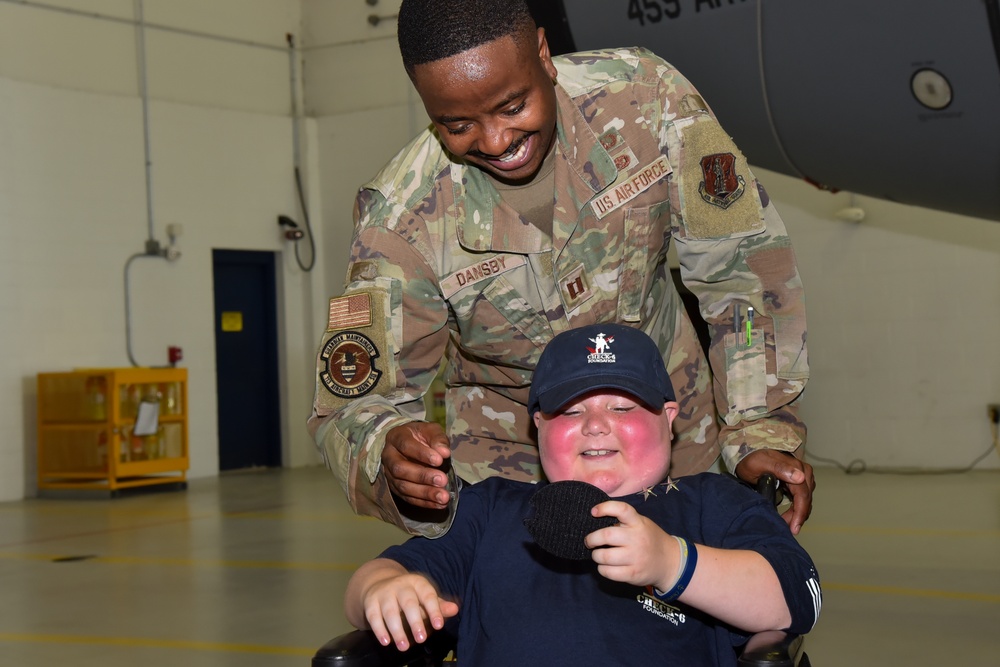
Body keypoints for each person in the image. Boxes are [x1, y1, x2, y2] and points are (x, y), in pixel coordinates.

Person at [309, 0, 814, 539]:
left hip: (670, 429)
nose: (496, 141)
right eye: (457, 125)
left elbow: (743, 275)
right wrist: (384, 447)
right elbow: (354, 398)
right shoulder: (401, 219)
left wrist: (758, 429)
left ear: (545, 55)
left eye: (512, 105)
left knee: (703, 603)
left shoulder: (647, 100)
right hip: (512, 461)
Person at [344, 324, 821, 665]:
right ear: (537, 427)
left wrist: (673, 563)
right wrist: (382, 589)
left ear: (669, 418)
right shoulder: (490, 508)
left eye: (621, 405)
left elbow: (797, 596)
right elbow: (374, 578)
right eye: (570, 412)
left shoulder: (712, 503)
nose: (596, 424)